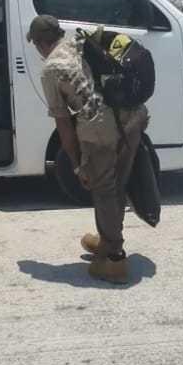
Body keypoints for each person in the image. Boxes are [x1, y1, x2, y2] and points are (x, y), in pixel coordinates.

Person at [27, 15, 149, 284]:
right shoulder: (80, 41)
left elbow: (63, 123)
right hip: (133, 116)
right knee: (118, 182)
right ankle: (107, 241)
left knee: (104, 189)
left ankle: (115, 258)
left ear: (38, 43)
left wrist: (76, 163)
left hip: (99, 131)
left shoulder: (51, 69)